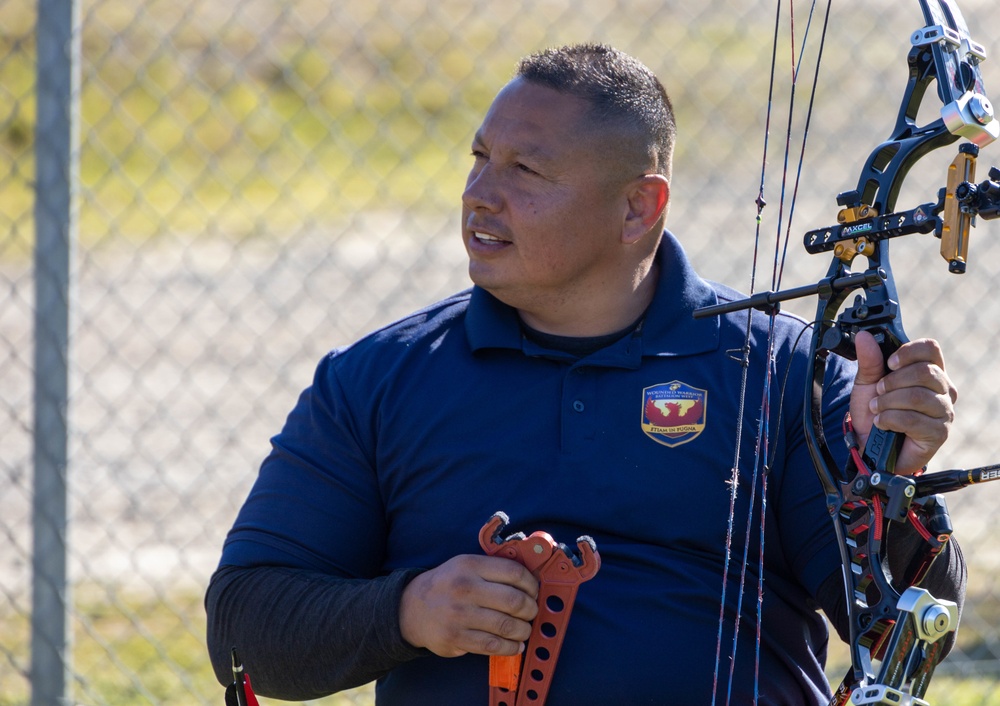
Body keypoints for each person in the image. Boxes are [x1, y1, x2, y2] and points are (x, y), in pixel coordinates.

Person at [205, 44, 964, 705]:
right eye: (479, 158)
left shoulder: (786, 371)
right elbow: (245, 623)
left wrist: (890, 477)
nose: (480, 193)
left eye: (526, 169)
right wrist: (411, 610)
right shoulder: (378, 379)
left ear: (639, 207)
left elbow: (912, 636)